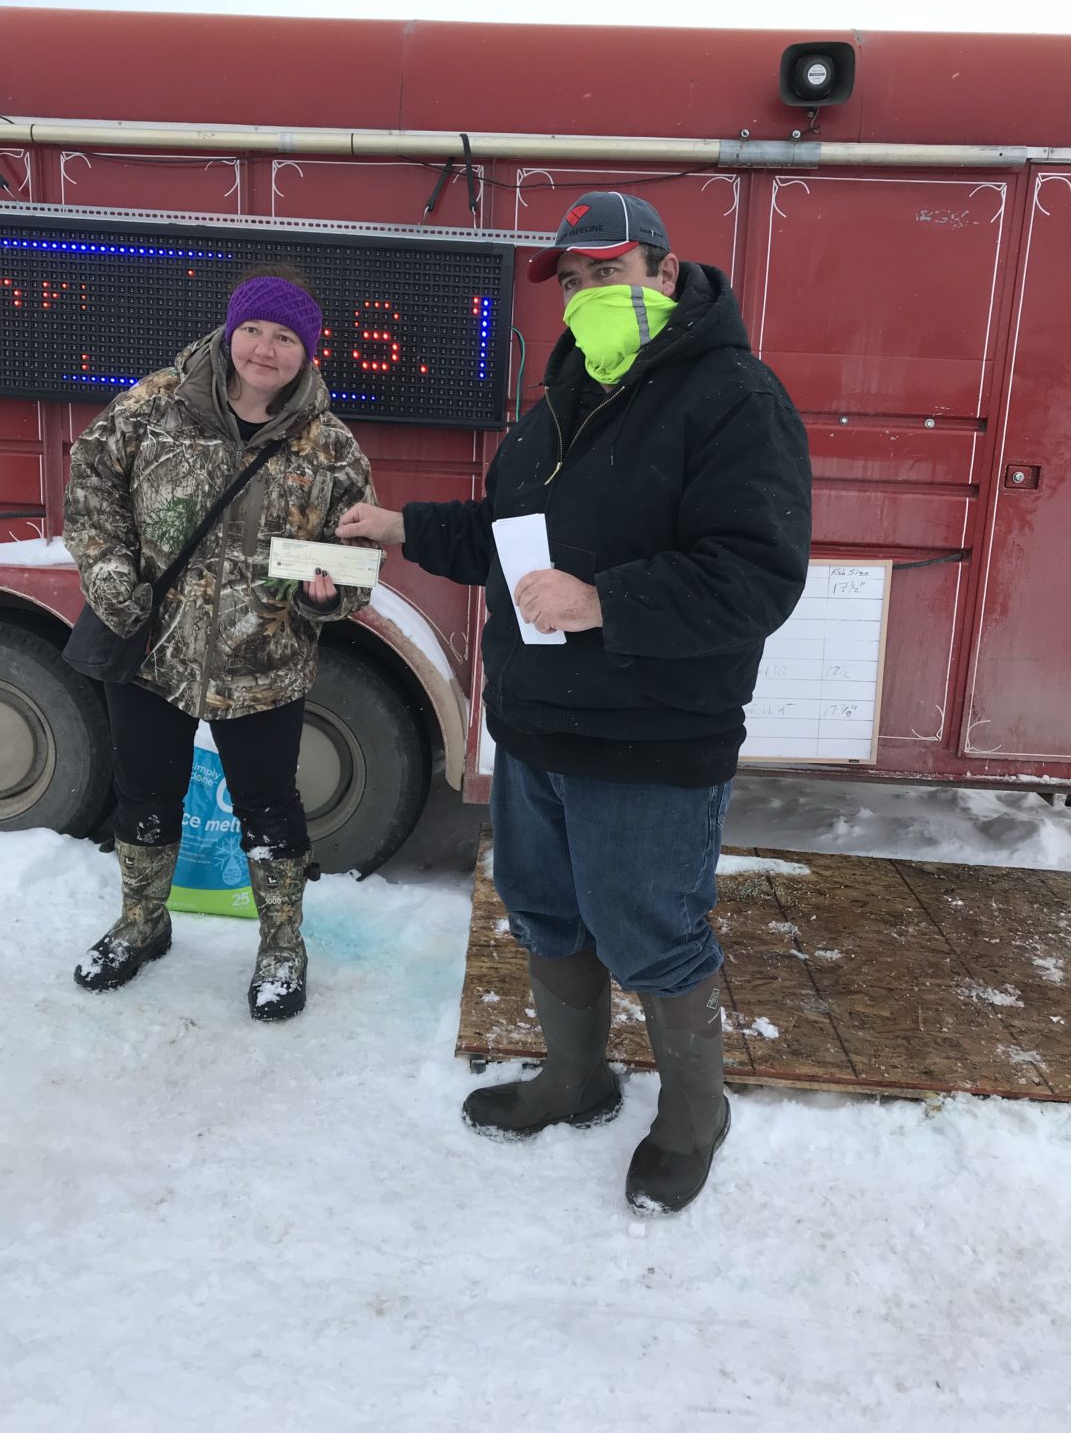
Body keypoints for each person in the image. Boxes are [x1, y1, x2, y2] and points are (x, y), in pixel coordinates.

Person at [337, 191, 812, 1211]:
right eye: (575, 279)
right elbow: (507, 536)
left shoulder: (734, 397)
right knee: (544, 911)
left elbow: (757, 575)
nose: (589, 291)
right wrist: (400, 525)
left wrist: (605, 602)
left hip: (651, 737)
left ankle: (695, 1117)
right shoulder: (562, 398)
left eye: (609, 270)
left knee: (650, 931)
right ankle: (576, 1078)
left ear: (665, 272)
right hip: (536, 726)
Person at [64, 268, 375, 1021]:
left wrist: (325, 595)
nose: (265, 349)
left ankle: (282, 946)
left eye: (286, 337)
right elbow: (91, 488)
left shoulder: (330, 445)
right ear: (231, 330)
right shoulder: (154, 404)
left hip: (264, 662)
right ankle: (142, 922)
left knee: (269, 807)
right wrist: (110, 578)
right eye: (254, 330)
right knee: (144, 793)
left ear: (307, 351)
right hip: (153, 651)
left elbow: (358, 556)